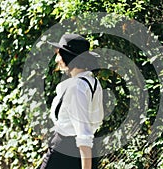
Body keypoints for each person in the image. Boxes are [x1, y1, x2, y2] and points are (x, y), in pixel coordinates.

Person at [40, 34, 104, 169]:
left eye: (59, 54)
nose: (57, 59)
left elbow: (83, 135)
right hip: (84, 152)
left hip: (66, 153)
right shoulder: (93, 82)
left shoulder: (76, 88)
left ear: (68, 57)